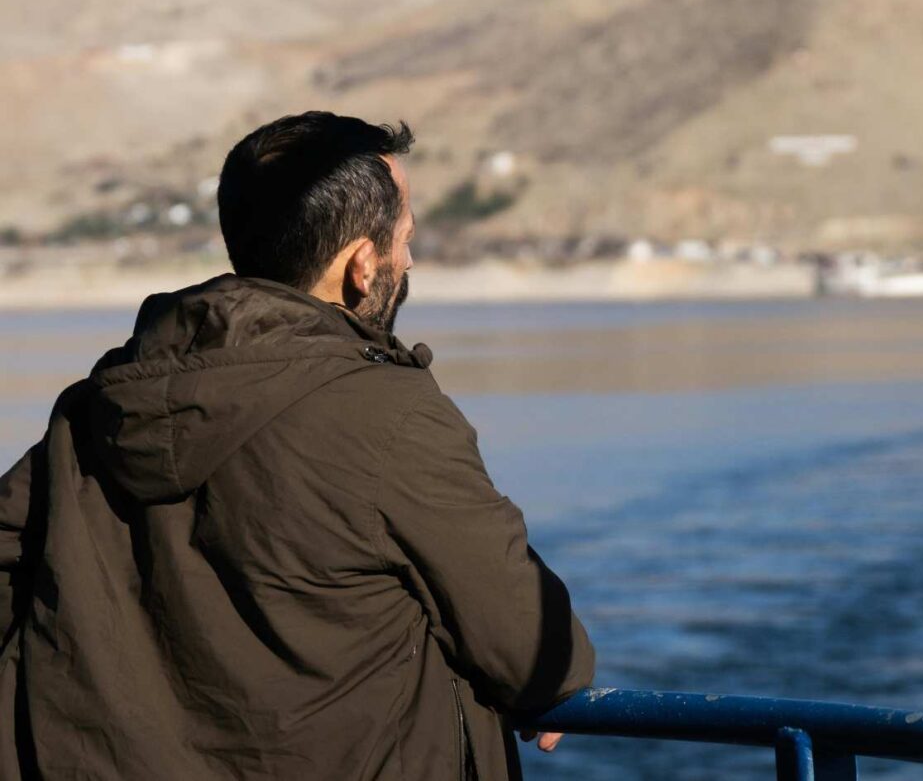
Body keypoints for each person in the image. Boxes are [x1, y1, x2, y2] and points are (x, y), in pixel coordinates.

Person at [0, 112, 595, 780]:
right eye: (404, 239)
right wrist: (562, 677)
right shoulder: (387, 416)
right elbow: (528, 642)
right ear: (363, 267)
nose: (411, 260)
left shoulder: (103, 402)